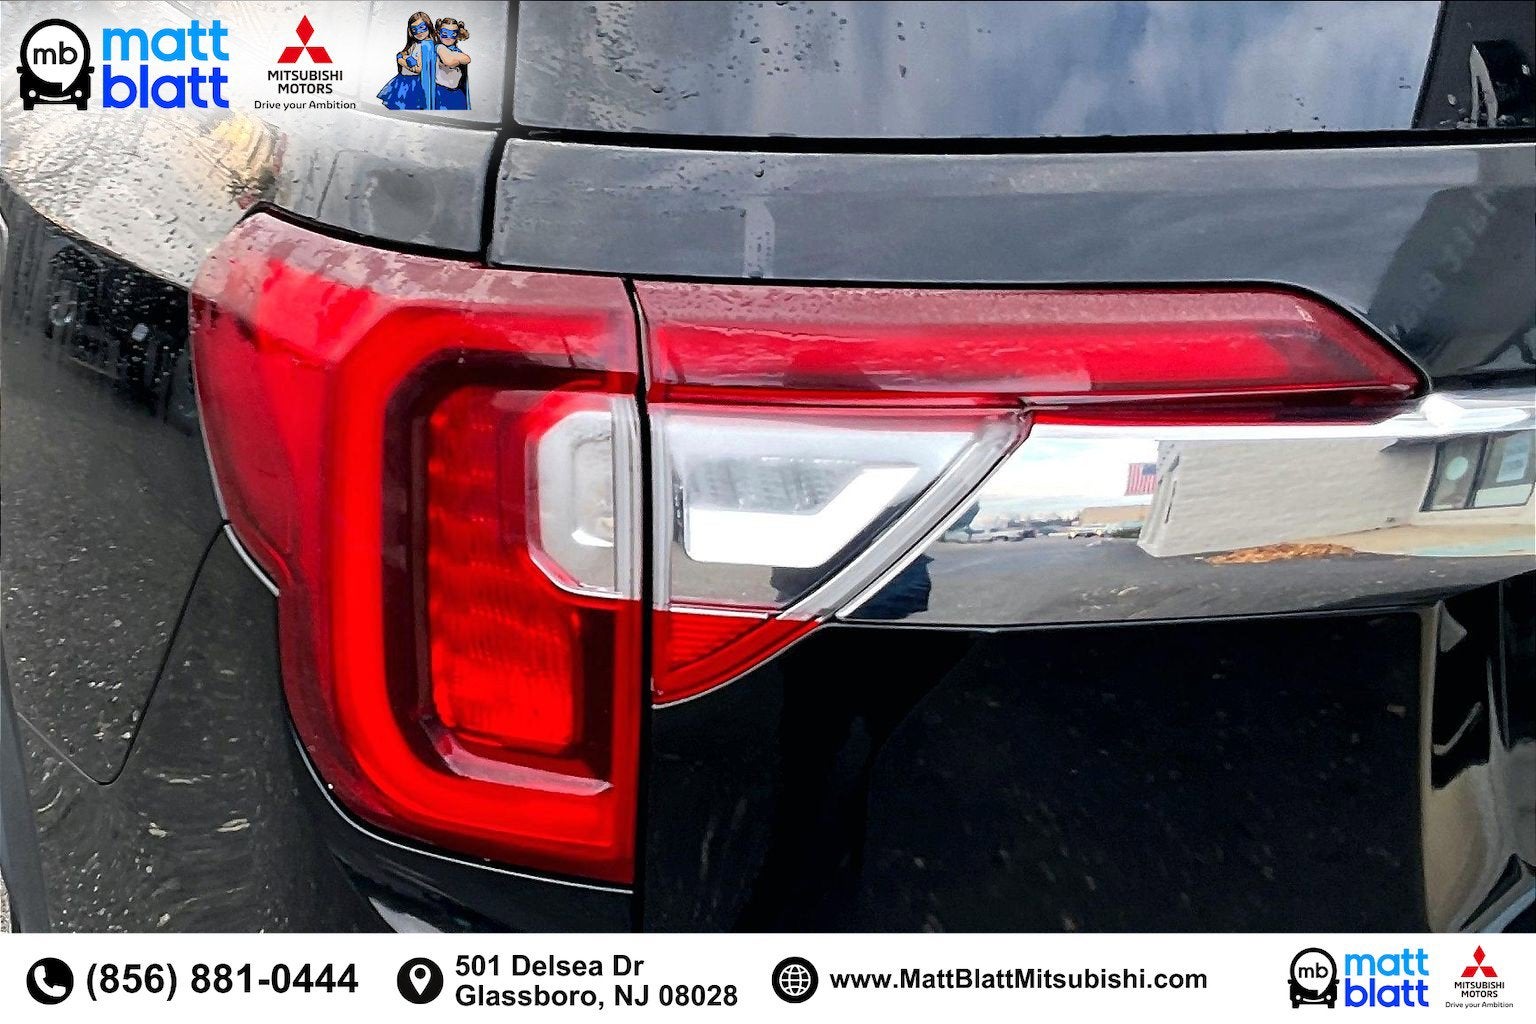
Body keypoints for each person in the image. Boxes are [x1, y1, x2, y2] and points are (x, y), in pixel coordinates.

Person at [376, 12, 436, 111]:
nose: (419, 32)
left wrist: (401, 60)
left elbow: (417, 69)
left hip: (412, 83)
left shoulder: (426, 46)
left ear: (428, 26)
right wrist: (405, 57)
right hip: (402, 81)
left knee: (407, 107)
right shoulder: (415, 44)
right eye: (414, 30)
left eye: (422, 27)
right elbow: (405, 54)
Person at [433, 17, 471, 110]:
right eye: (445, 33)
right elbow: (450, 62)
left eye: (453, 34)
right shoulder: (439, 47)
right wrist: (456, 58)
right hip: (440, 92)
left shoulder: (456, 50)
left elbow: (467, 59)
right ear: (438, 33)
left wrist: (454, 56)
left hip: (456, 91)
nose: (449, 37)